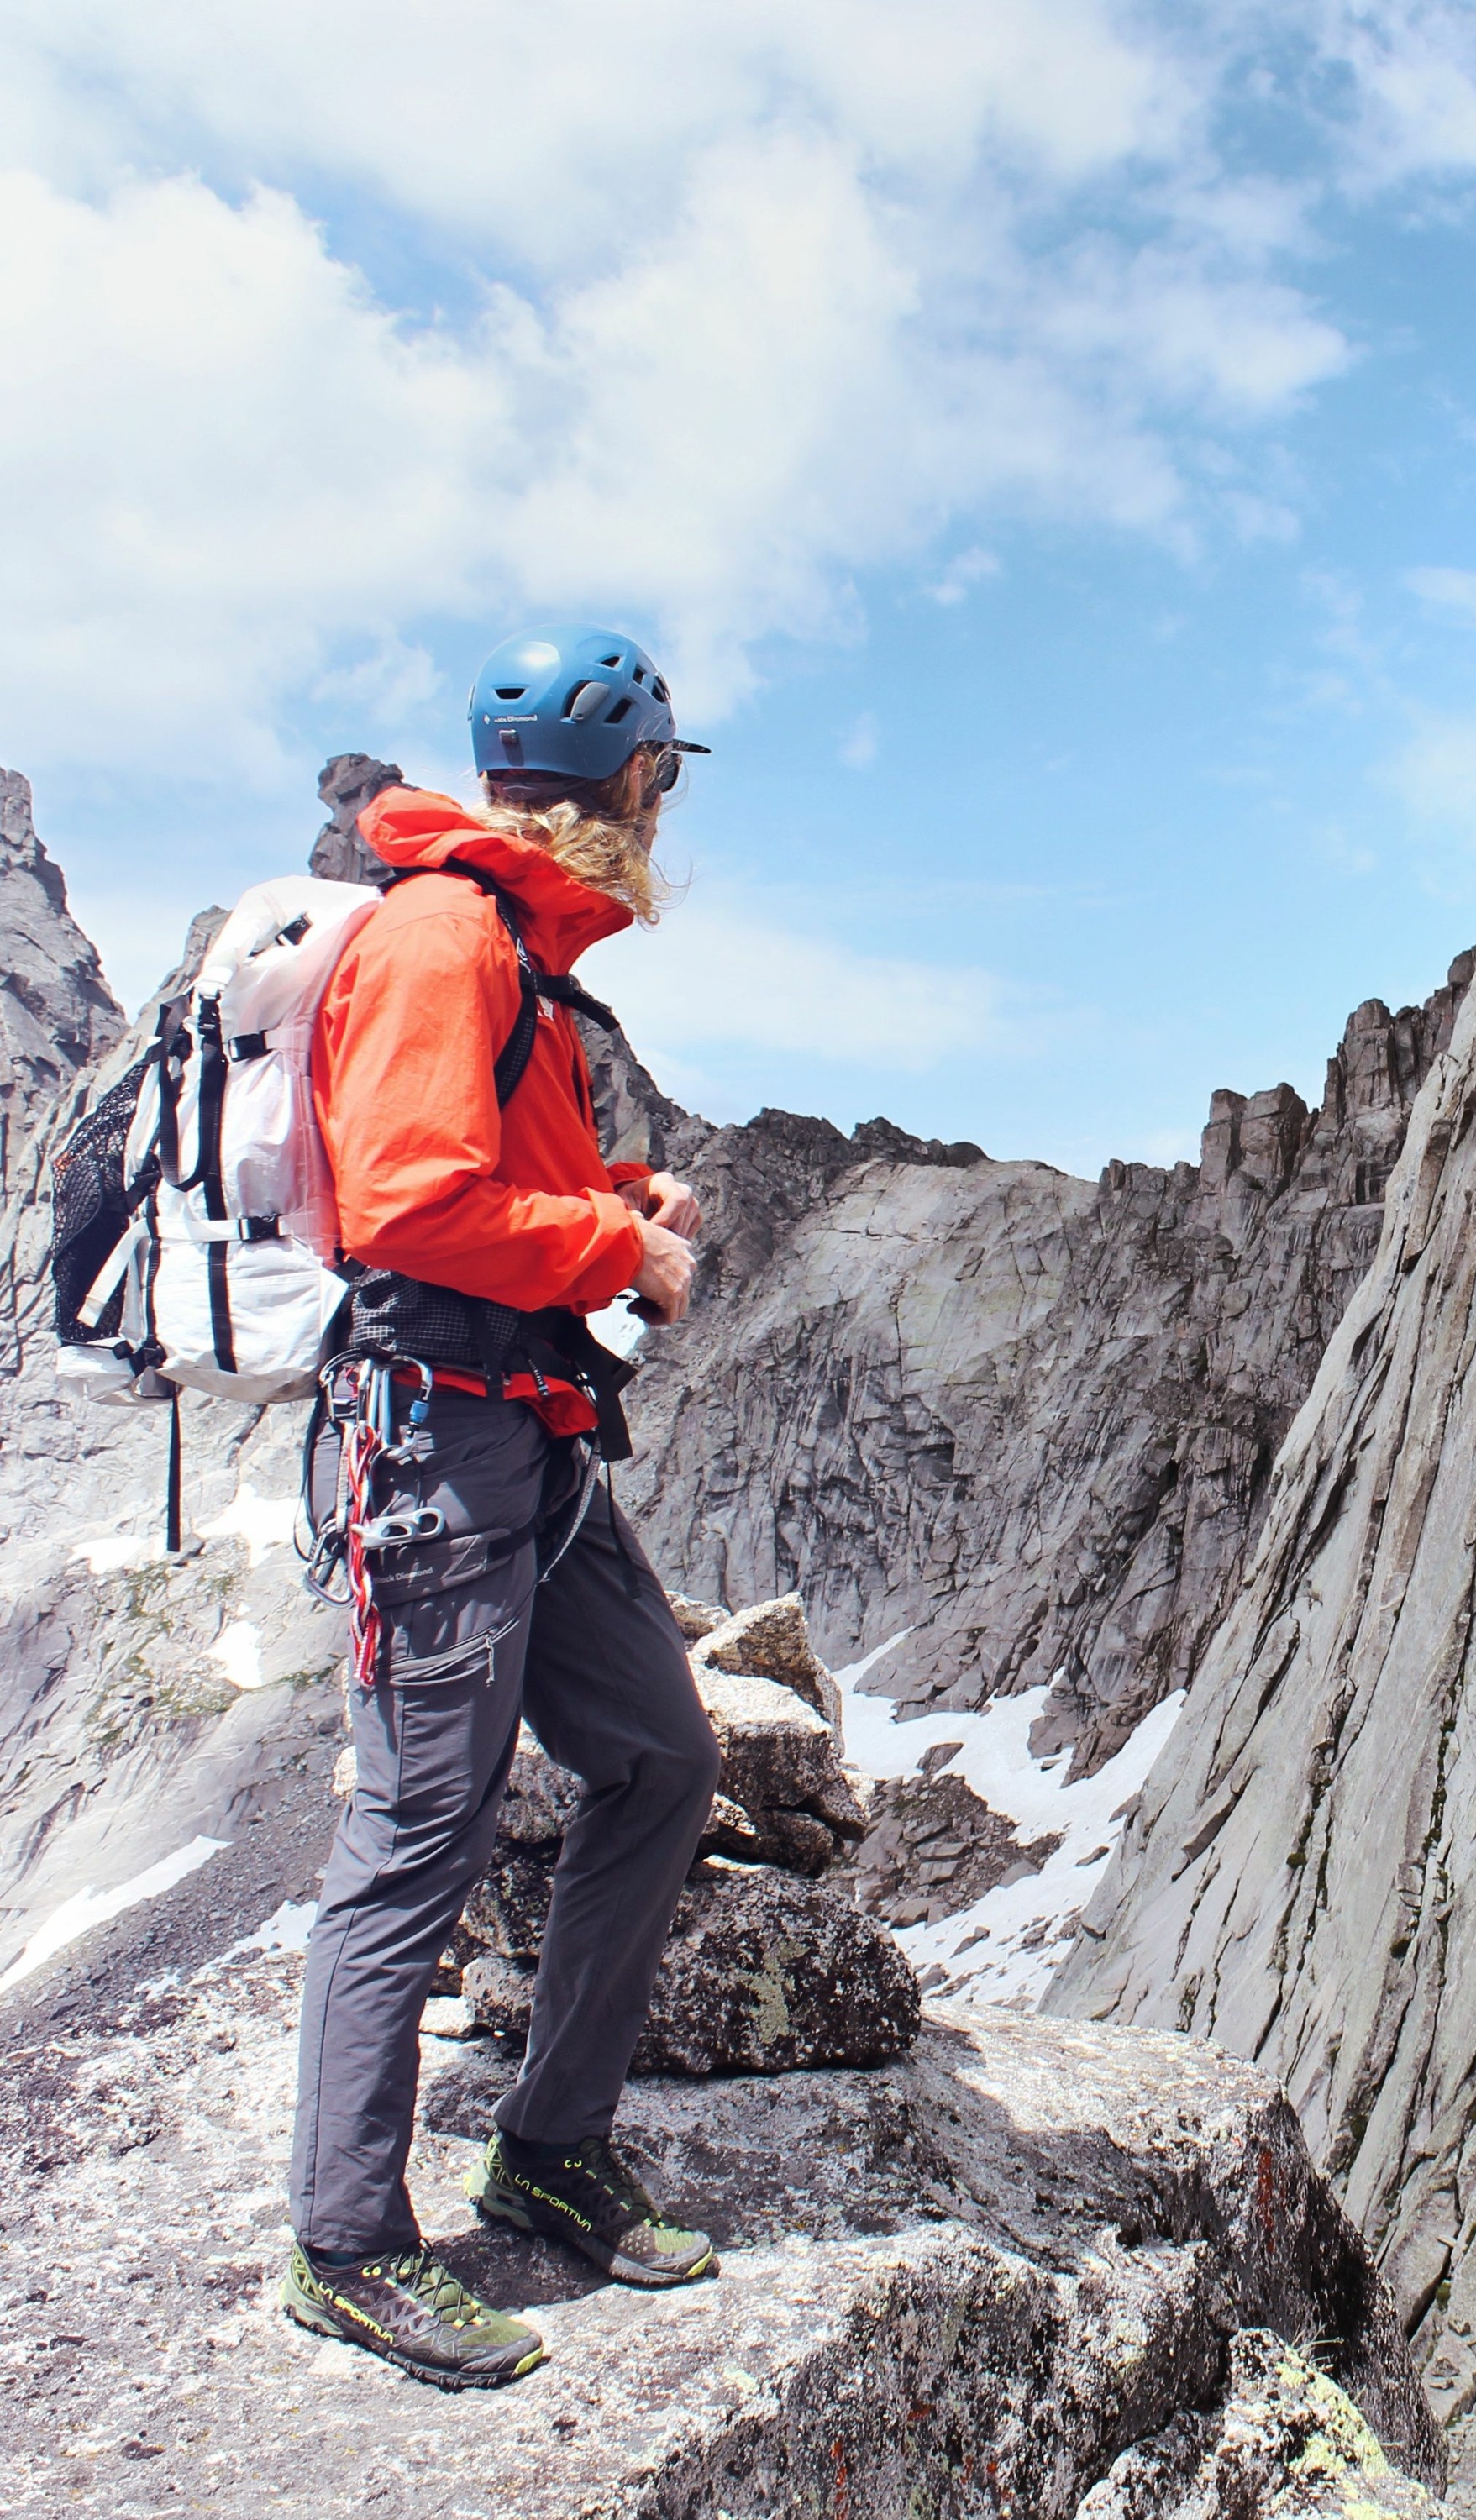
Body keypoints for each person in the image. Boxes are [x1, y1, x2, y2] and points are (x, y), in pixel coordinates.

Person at [281, 625, 723, 2388]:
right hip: (437, 1447)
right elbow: (404, 1203)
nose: (665, 813)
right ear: (633, 781)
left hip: (524, 1433)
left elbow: (488, 1177)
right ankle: (345, 2245)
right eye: (663, 781)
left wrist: (617, 1192)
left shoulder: (511, 945)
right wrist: (619, 1245)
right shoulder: (447, 936)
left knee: (662, 1759)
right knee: (420, 1833)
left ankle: (549, 2148)